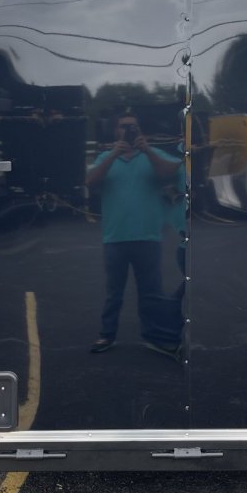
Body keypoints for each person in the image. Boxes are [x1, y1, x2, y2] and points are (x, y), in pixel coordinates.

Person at [86, 112, 181, 355]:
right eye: (123, 127)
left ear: (140, 131)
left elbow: (171, 171)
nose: (128, 130)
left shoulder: (152, 155)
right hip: (115, 238)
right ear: (115, 131)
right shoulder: (106, 157)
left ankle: (155, 335)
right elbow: (90, 181)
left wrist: (148, 151)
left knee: (151, 292)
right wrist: (114, 154)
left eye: (133, 127)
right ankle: (107, 335)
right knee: (113, 293)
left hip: (147, 237)